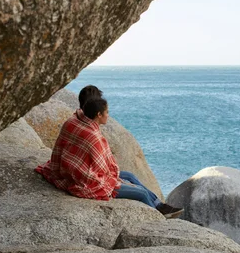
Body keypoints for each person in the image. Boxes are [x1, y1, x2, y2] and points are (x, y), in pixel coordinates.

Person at [36, 90, 183, 218]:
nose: (108, 115)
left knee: (130, 176)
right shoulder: (93, 137)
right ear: (99, 115)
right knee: (141, 193)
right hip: (88, 183)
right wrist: (116, 180)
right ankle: (158, 218)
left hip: (74, 172)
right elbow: (103, 172)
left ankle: (159, 205)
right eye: (107, 112)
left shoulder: (77, 120)